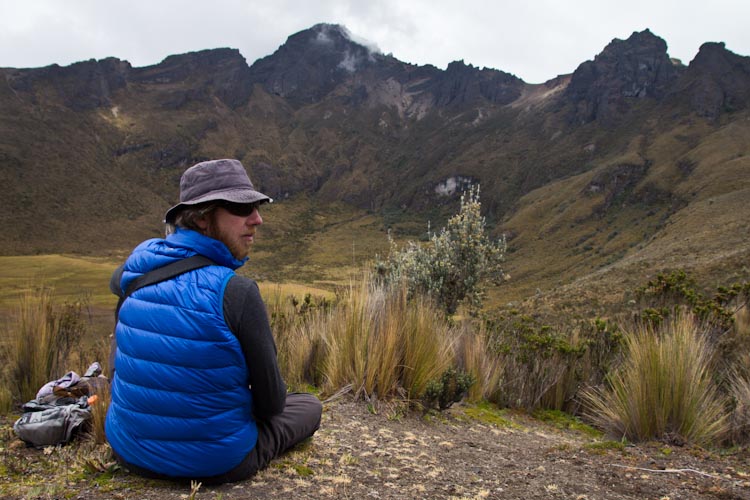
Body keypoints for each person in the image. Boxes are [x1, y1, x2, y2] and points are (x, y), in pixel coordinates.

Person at [105, 158, 322, 484]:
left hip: (128, 451)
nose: (257, 219)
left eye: (257, 206)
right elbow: (272, 406)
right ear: (204, 219)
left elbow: (117, 366)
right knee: (307, 406)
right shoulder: (237, 292)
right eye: (241, 207)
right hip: (214, 463)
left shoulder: (134, 271)